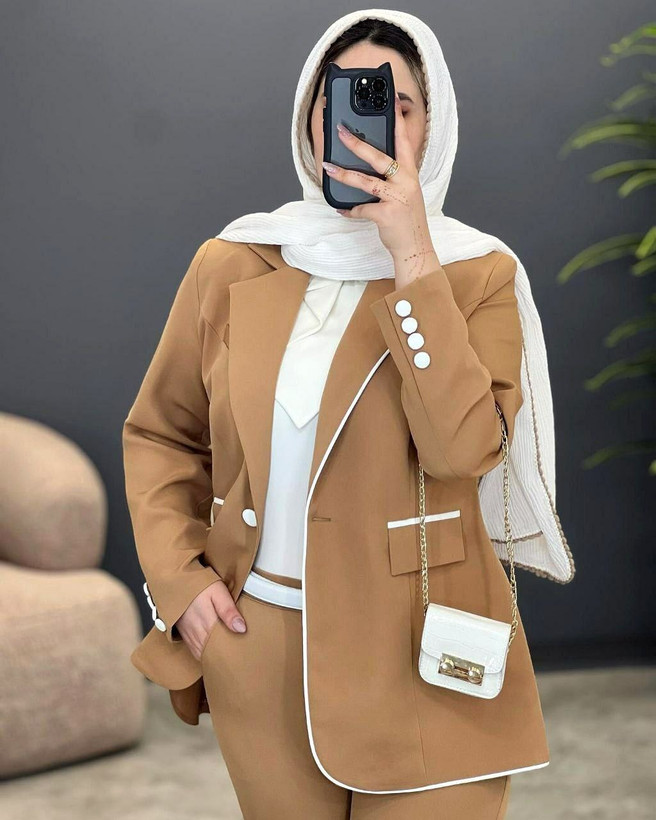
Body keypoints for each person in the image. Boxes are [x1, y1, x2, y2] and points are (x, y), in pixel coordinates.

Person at [122, 8, 576, 819]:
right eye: (349, 99)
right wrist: (179, 584)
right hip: (257, 649)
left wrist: (412, 255)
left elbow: (462, 450)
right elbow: (162, 433)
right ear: (311, 121)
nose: (375, 124)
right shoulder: (233, 261)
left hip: (424, 651)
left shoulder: (477, 274)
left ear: (432, 128)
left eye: (400, 105)